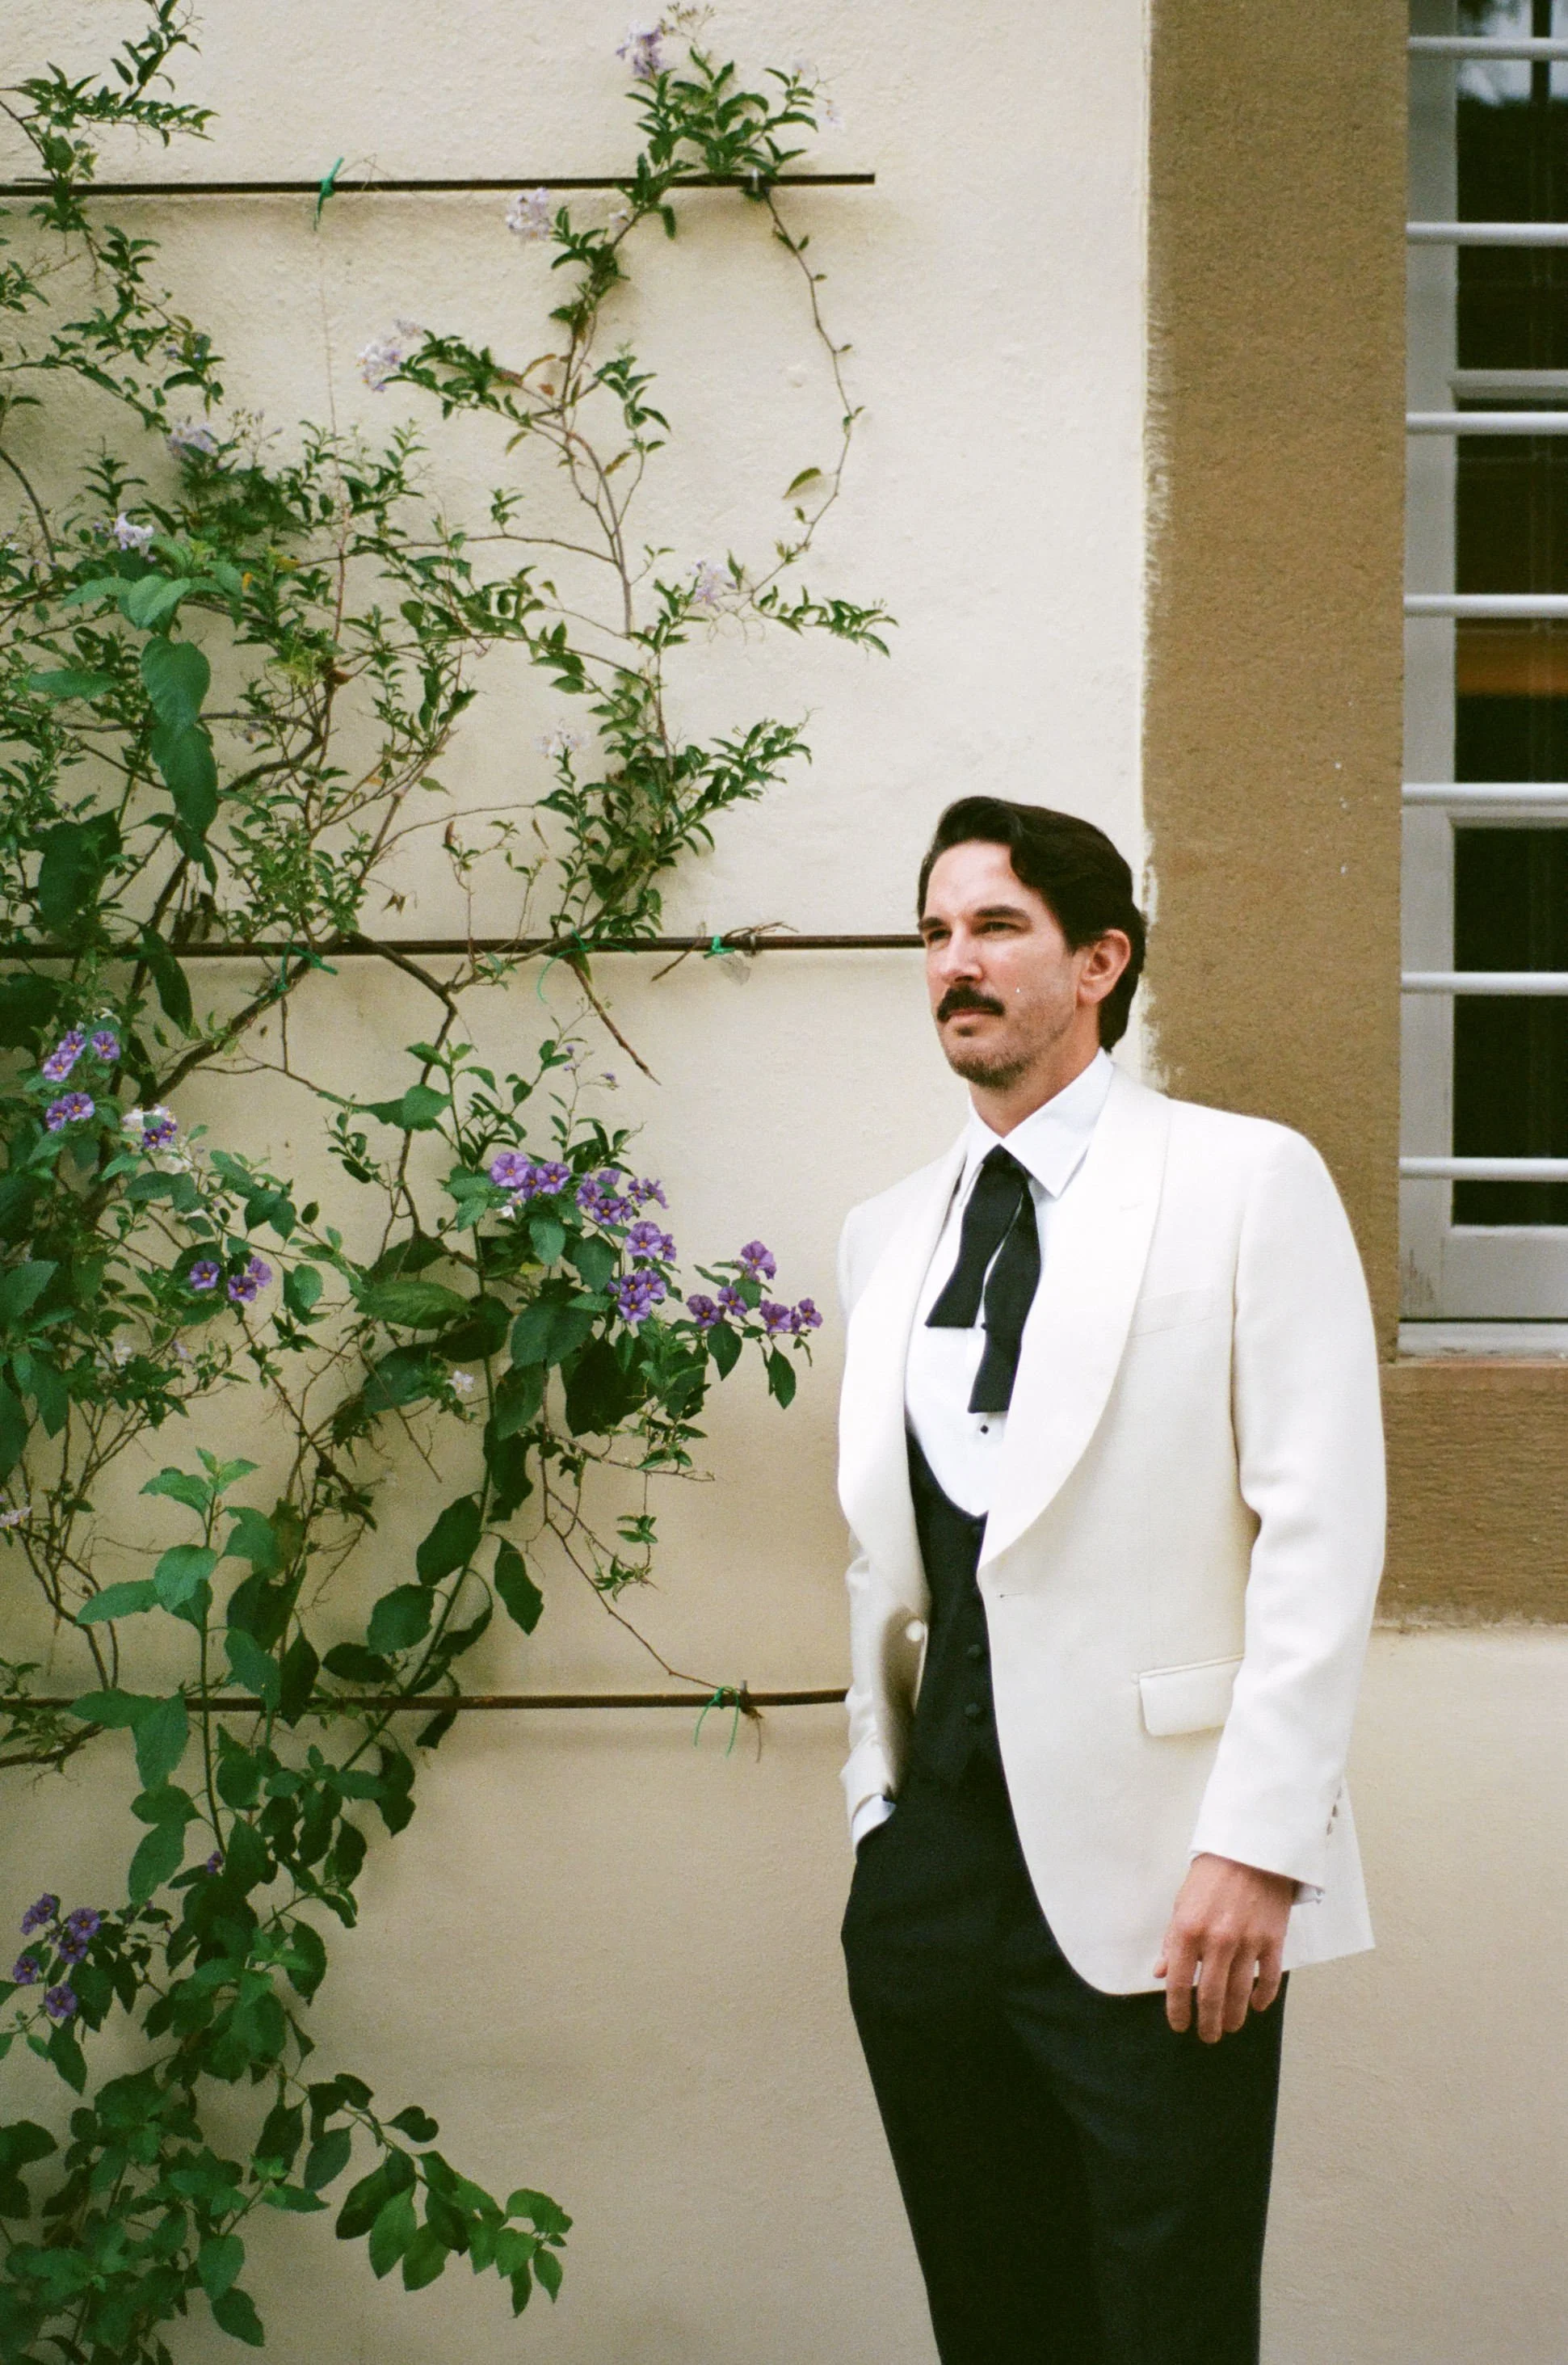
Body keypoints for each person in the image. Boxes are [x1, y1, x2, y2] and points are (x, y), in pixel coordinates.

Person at [836, 796, 1385, 2365]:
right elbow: (893, 1554)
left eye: (995, 925)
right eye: (935, 931)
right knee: (994, 2321)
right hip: (929, 1888)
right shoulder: (884, 1237)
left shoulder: (1241, 1182)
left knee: (1171, 2325)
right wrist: (879, 1813)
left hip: (1166, 1888)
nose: (956, 961)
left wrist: (1257, 1845)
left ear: (1097, 959)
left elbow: (1320, 1529)